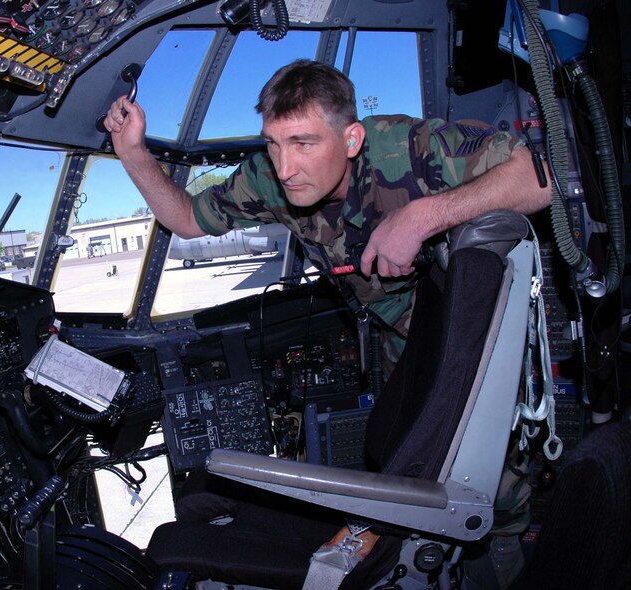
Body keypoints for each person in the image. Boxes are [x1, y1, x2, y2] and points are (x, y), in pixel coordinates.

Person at [104, 59, 551, 587]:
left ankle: (506, 548)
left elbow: (541, 178)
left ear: (353, 138)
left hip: (472, 328)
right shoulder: (268, 180)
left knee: (488, 465)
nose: (285, 165)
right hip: (394, 326)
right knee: (409, 448)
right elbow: (184, 217)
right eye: (273, 143)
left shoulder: (411, 148)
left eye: (304, 143)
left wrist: (421, 217)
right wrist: (132, 152)